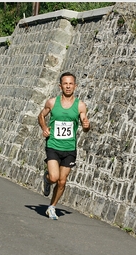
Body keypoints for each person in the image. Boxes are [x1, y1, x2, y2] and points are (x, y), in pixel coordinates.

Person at [38, 72, 90, 220]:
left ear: (75, 86)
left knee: (62, 181)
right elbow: (41, 116)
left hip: (69, 148)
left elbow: (85, 125)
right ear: (60, 86)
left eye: (70, 83)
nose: (68, 86)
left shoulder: (80, 105)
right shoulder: (52, 102)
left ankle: (52, 207)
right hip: (53, 145)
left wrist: (86, 125)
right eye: (65, 84)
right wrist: (44, 128)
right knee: (54, 178)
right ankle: (47, 180)